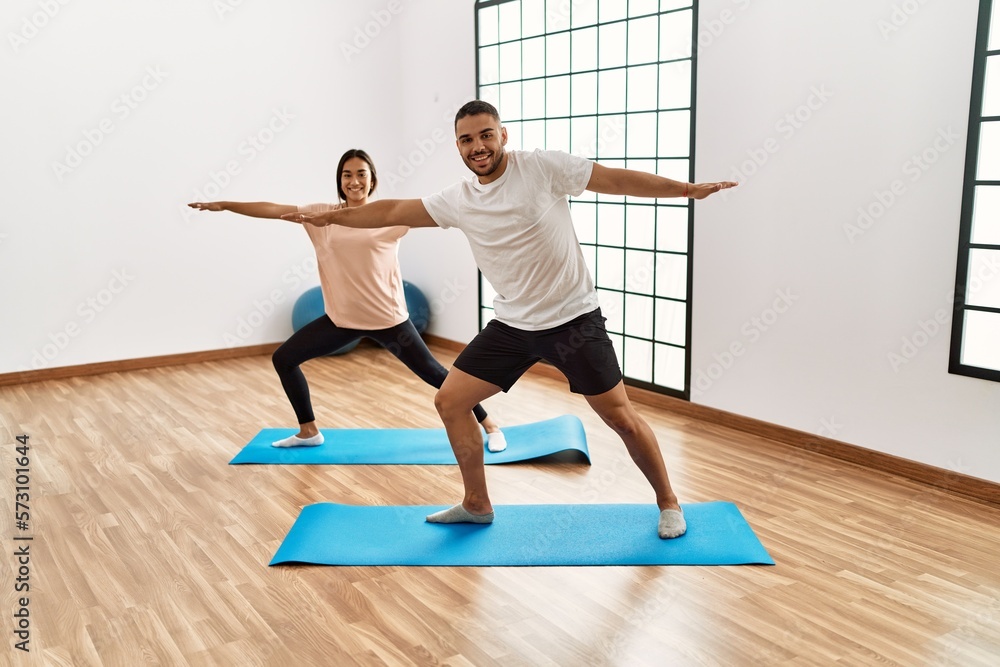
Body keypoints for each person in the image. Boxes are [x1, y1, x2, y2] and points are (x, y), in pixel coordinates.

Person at [282, 103, 737, 538]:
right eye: (466, 140)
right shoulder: (458, 200)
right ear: (458, 147)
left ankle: (669, 502)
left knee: (620, 417)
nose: (477, 146)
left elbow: (613, 179)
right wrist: (328, 214)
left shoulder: (542, 168)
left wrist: (684, 189)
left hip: (573, 320)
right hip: (513, 325)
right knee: (450, 402)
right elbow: (392, 210)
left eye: (485, 135)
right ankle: (477, 504)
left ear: (502, 135)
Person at [189, 148, 506, 451]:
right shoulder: (322, 216)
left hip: (389, 321)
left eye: (361, 174)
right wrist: (226, 204)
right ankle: (308, 431)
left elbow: (441, 210)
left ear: (373, 179)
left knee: (437, 375)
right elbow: (273, 209)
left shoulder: (388, 217)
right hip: (341, 321)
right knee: (284, 359)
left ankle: (491, 425)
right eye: (347, 174)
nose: (354, 181)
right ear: (339, 180)